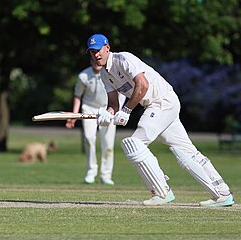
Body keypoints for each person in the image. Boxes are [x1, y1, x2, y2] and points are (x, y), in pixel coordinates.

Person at [86, 33, 234, 207]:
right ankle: (223, 193)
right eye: (92, 52)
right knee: (186, 152)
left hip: (162, 101)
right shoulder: (104, 75)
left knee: (134, 143)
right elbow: (113, 104)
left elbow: (143, 84)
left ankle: (162, 192)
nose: (96, 55)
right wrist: (107, 114)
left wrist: (127, 110)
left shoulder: (123, 59)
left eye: (99, 51)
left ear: (107, 48)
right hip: (157, 107)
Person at [66, 58, 126, 185]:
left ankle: (106, 175)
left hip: (108, 110)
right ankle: (91, 172)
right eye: (93, 60)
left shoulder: (112, 73)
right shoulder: (83, 76)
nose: (96, 62)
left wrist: (118, 111)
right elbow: (78, 96)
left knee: (108, 144)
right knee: (88, 138)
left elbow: (122, 93)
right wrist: (74, 115)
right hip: (89, 109)